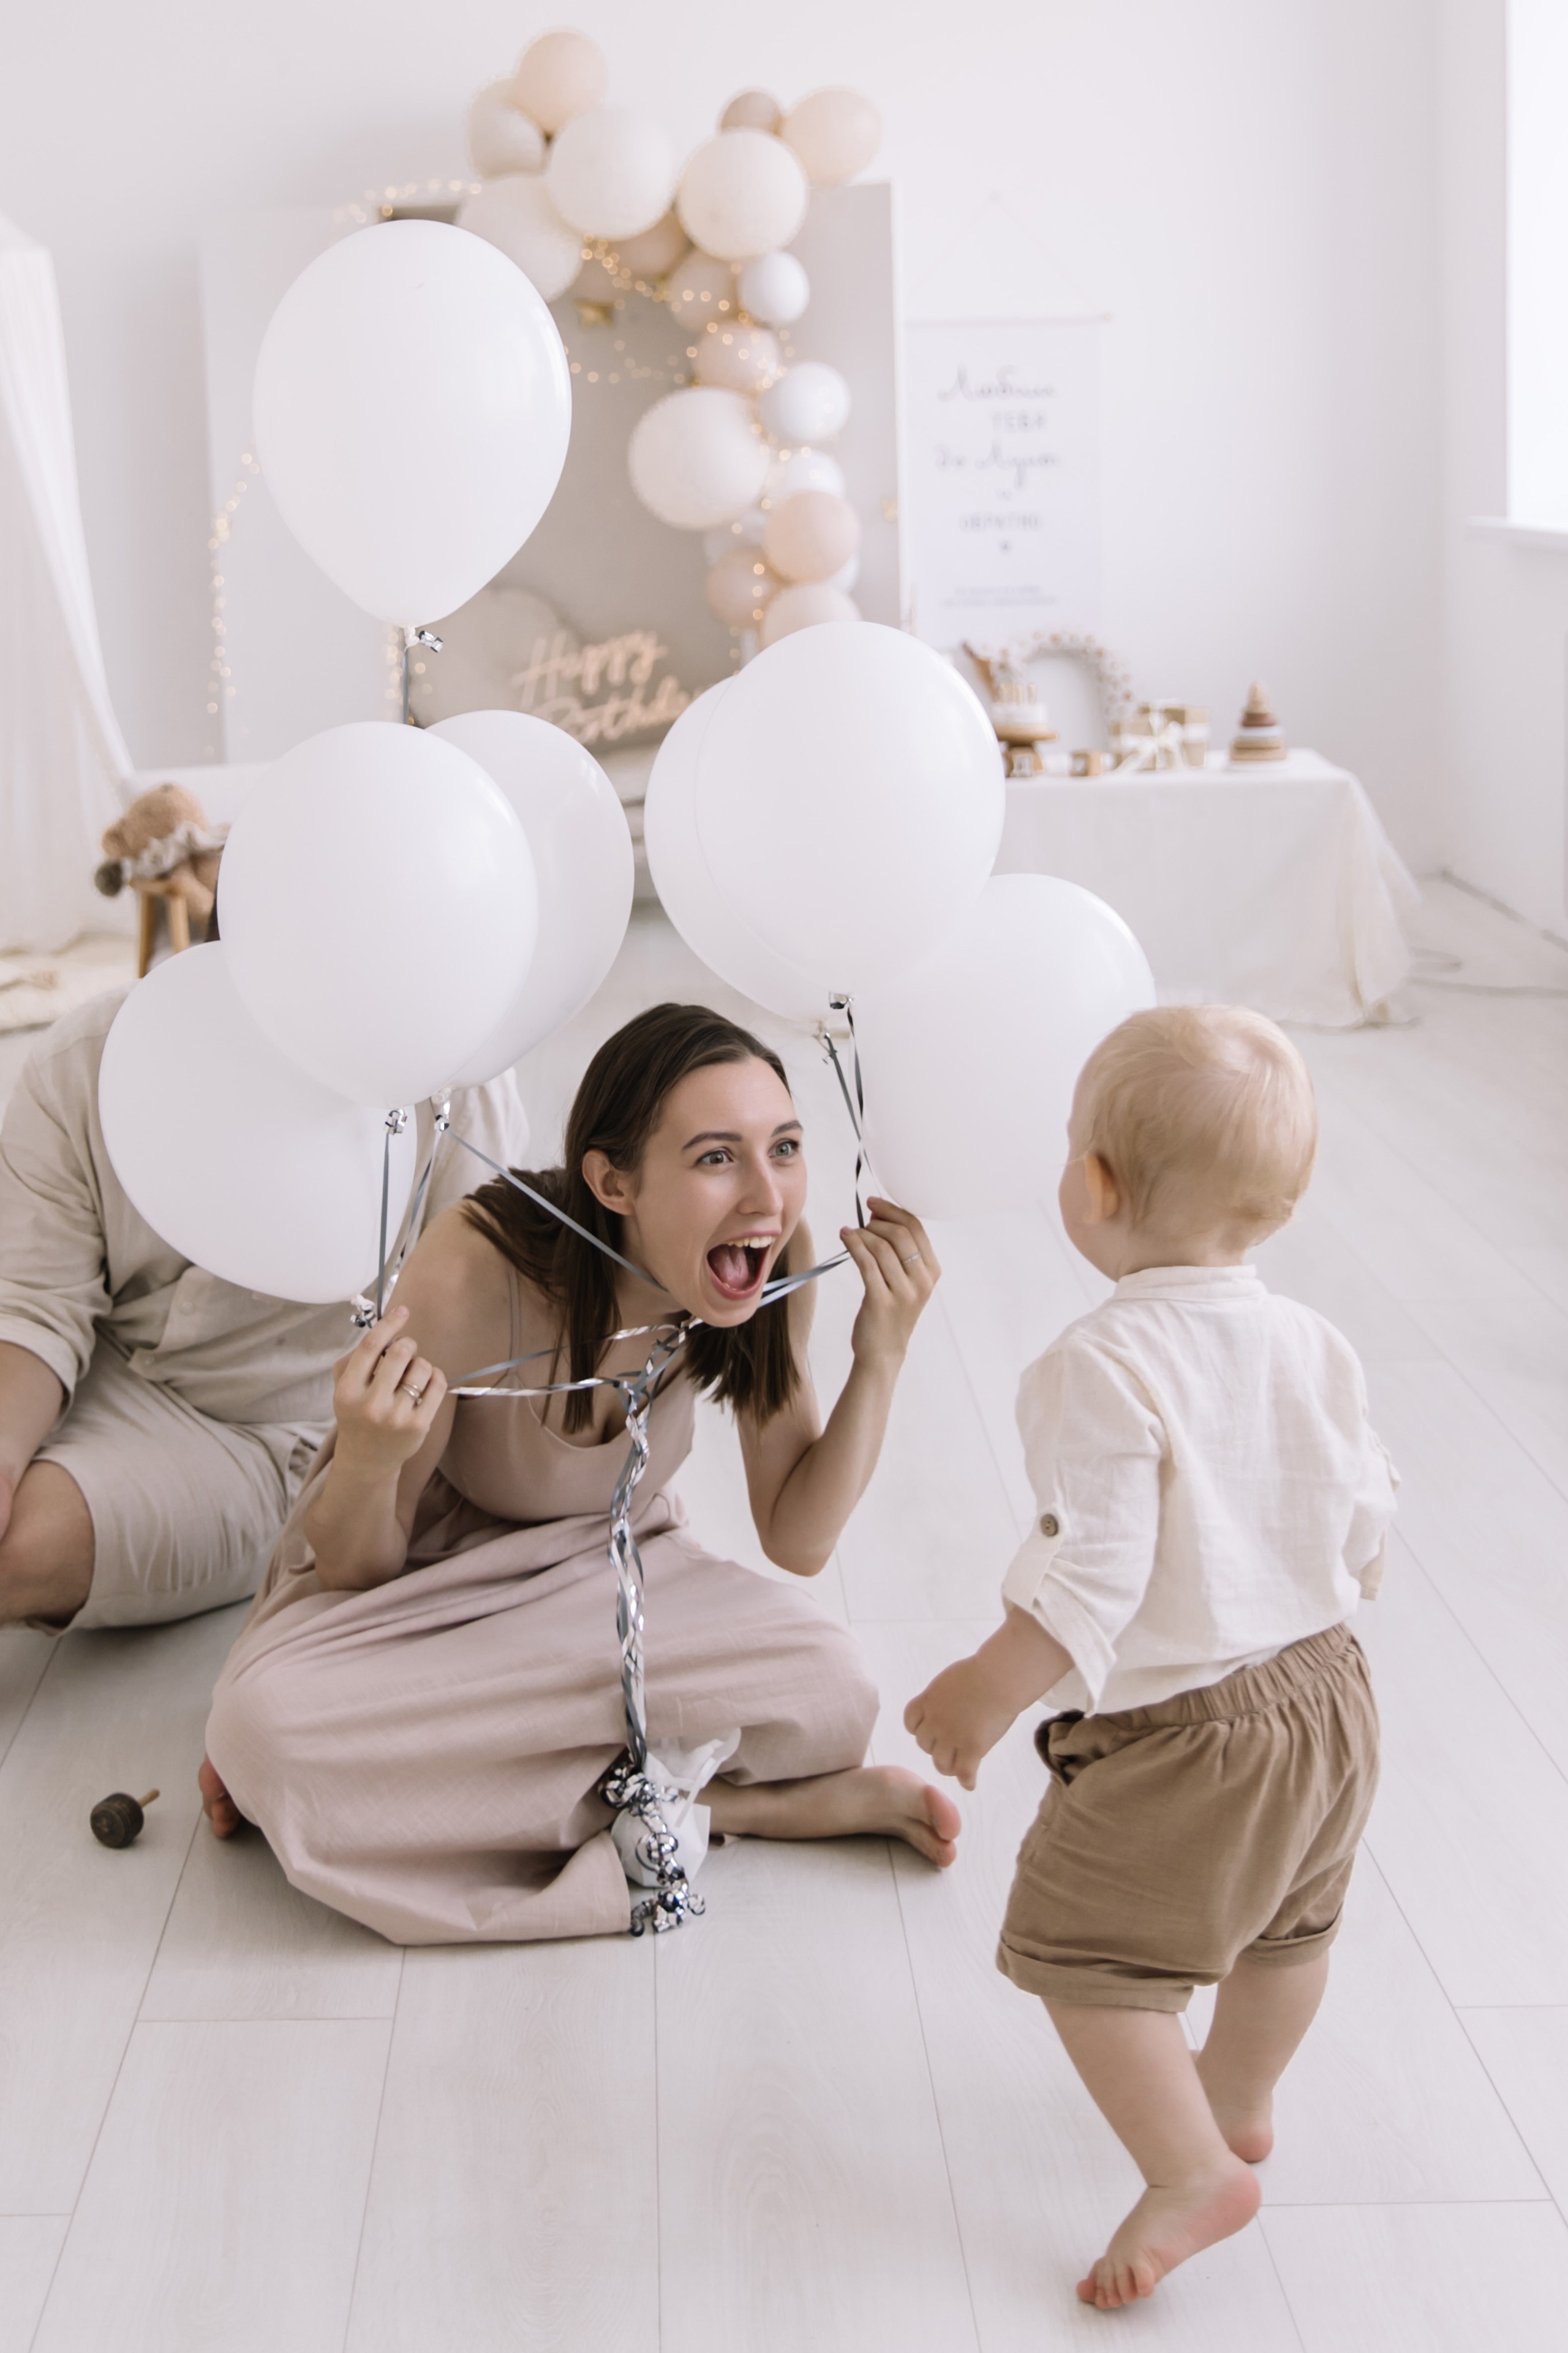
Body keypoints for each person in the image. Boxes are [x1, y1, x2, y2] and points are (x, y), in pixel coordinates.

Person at [200, 1002, 961, 1943]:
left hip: (614, 1571)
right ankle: (724, 1805)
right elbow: (358, 1568)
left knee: (834, 1689)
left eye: (787, 1147)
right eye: (718, 1157)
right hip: (426, 1585)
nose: (768, 1198)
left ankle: (571, 1794)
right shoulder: (470, 1274)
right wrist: (368, 1454)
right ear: (614, 1181)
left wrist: (880, 1355)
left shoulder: (767, 1263)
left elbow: (798, 1538)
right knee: (266, 1731)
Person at [906, 1005, 1396, 2311]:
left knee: (1085, 1953)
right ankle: (1233, 2103)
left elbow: (1095, 1572)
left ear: (1095, 1185)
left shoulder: (1101, 1361)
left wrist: (982, 1690)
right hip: (1331, 1694)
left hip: (1194, 1728)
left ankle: (1189, 2166)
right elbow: (1365, 1514)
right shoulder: (1313, 1341)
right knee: (1288, 1924)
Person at [0, 988, 529, 1631]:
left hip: (273, 1434)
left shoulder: (455, 1089)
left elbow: (472, 1348)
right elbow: (30, 1306)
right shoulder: (87, 1059)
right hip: (101, 1360)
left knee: (21, 1548)